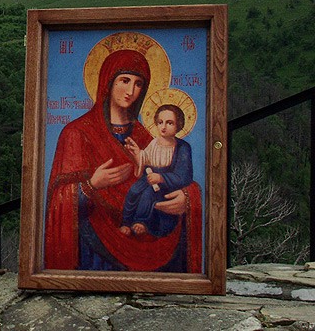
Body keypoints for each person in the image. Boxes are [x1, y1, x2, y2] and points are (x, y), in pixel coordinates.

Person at [44, 48, 201, 272]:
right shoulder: (76, 133)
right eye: (124, 80)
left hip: (148, 235)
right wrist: (91, 185)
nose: (131, 91)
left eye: (138, 84)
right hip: (96, 247)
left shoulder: (146, 137)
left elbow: (169, 177)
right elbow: (57, 202)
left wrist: (187, 196)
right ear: (108, 82)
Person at [119, 104, 193, 238]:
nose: (163, 127)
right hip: (149, 177)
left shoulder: (182, 147)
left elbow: (184, 176)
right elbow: (145, 158)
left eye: (169, 123)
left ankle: (141, 221)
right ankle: (126, 222)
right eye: (160, 122)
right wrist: (138, 154)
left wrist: (161, 178)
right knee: (133, 191)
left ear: (179, 125)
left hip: (166, 184)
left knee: (148, 194)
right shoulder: (154, 142)